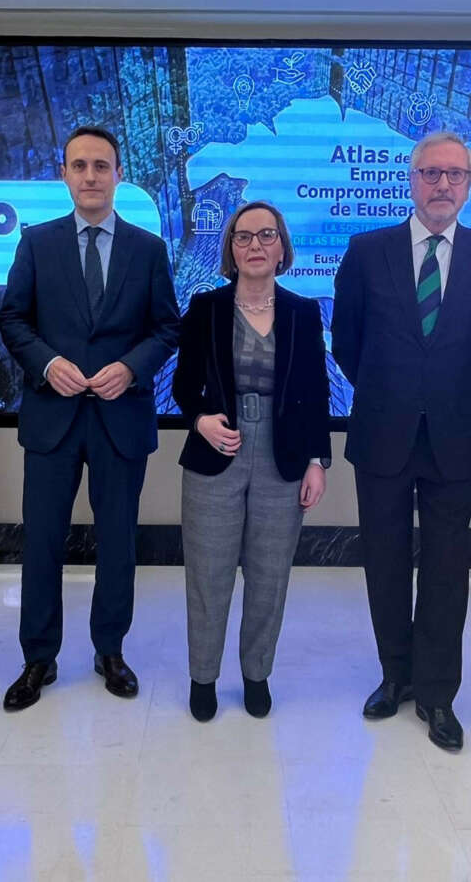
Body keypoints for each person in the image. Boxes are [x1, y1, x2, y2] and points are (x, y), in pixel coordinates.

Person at [332, 131, 471, 752]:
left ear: (469, 184)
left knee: (446, 569)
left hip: (455, 436)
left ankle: (438, 694)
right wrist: (396, 393)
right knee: (383, 561)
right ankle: (395, 677)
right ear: (411, 180)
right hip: (381, 431)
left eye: (455, 175)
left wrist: (443, 393)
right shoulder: (366, 250)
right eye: (431, 173)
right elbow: (346, 342)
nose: (442, 185)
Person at [0, 125, 179, 710]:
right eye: (80, 166)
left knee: (118, 541)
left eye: (102, 166)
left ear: (119, 174)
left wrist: (130, 368)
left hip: (120, 419)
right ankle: (38, 659)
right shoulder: (36, 242)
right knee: (43, 542)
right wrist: (47, 364)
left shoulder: (148, 249)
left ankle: (110, 650)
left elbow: (167, 327)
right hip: (52, 418)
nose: (92, 176)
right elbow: (12, 319)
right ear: (65, 175)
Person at [172, 201, 331, 722]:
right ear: (231, 248)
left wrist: (317, 460)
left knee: (269, 575)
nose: (255, 245)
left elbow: (315, 392)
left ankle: (256, 673)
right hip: (216, 450)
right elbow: (182, 384)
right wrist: (201, 420)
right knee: (208, 574)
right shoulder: (205, 308)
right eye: (243, 237)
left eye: (266, 235)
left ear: (283, 247)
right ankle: (203, 677)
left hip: (282, 455)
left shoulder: (305, 313)